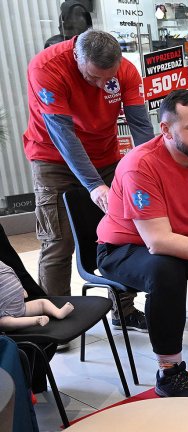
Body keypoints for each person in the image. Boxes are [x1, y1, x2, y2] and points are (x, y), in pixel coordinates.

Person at [95, 90, 188, 399]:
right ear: (166, 130)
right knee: (165, 270)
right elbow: (157, 242)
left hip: (185, 237)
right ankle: (169, 373)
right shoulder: (139, 165)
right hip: (124, 247)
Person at [23, 28, 153, 332]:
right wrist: (94, 185)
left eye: (104, 79)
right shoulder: (46, 68)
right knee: (59, 241)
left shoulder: (126, 71)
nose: (99, 85)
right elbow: (63, 135)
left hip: (105, 156)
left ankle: (124, 310)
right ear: (76, 57)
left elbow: (140, 125)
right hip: (52, 158)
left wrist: (150, 168)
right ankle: (54, 324)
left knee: (118, 233)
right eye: (92, 77)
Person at [0, 262, 74, 330]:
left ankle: (58, 313)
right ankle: (36, 320)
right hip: (4, 313)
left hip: (21, 306)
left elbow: (11, 273)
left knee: (42, 302)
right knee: (4, 322)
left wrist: (21, 289)